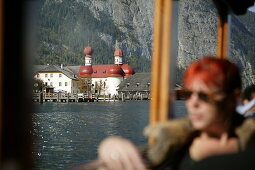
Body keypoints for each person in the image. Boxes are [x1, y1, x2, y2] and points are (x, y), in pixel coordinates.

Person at [80, 56, 255, 170]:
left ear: (234, 98)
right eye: (186, 94)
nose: (192, 103)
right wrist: (110, 145)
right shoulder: (175, 144)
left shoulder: (249, 148)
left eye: (204, 95)